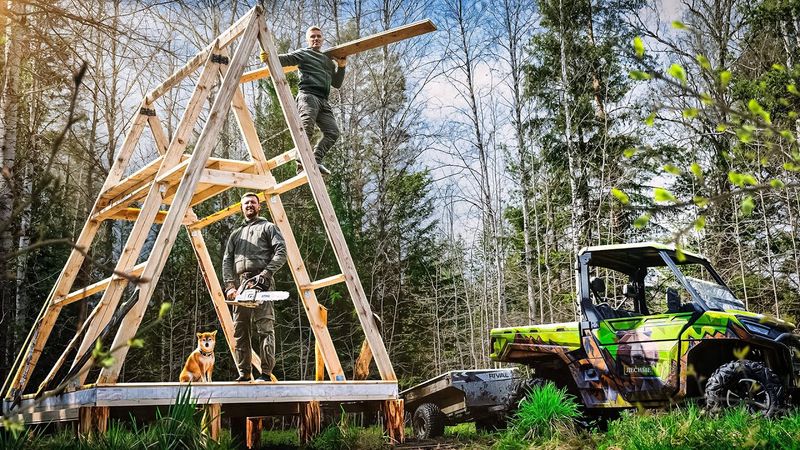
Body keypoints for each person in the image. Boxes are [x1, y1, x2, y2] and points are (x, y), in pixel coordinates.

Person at [261, 26, 347, 175]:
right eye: (312, 36)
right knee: (306, 126)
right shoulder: (304, 54)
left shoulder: (328, 61)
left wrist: (341, 67)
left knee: (333, 133)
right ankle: (301, 163)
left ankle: (316, 160)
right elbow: (284, 59)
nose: (316, 39)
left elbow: (337, 84)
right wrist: (268, 57)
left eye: (319, 36)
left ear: (323, 39)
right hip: (308, 95)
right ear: (308, 39)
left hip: (323, 100)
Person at [222, 192, 287, 382]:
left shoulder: (268, 227)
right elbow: (227, 261)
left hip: (263, 283)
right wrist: (230, 286)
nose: (249, 205)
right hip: (242, 284)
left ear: (259, 206)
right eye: (246, 203)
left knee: (265, 327)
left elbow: (281, 252)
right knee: (240, 329)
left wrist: (266, 274)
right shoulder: (236, 234)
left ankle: (266, 373)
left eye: (253, 202)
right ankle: (244, 373)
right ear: (242, 208)